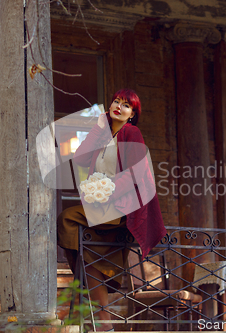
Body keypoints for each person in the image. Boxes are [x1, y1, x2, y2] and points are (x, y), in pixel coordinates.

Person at [57, 88, 167, 331]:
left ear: (132, 114)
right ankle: (104, 325)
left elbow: (137, 174)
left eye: (126, 105)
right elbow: (81, 159)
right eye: (116, 101)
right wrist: (98, 128)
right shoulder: (104, 134)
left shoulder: (132, 133)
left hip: (121, 206)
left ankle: (82, 305)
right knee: (89, 259)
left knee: (67, 218)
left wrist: (107, 189)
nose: (119, 106)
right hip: (101, 206)